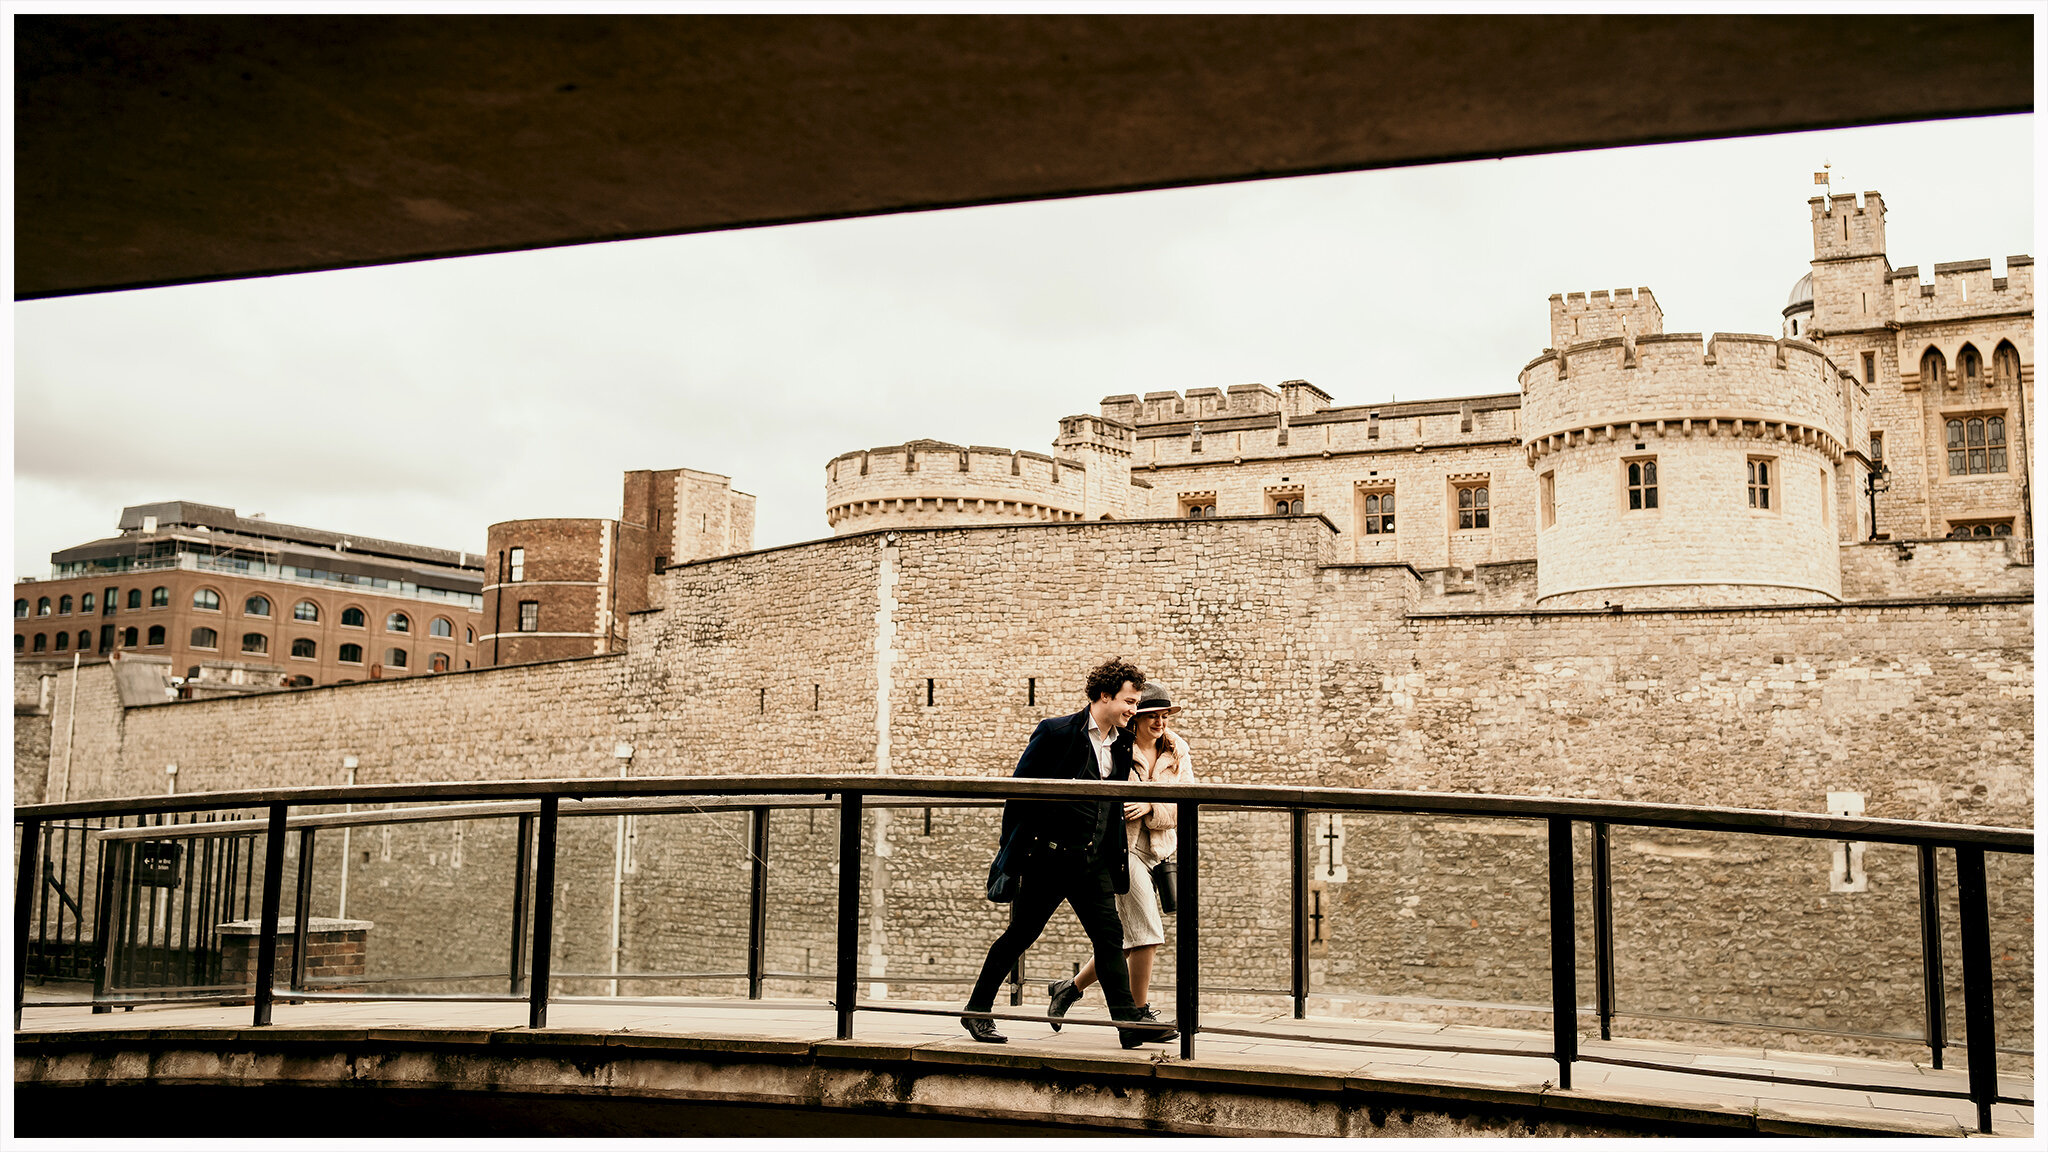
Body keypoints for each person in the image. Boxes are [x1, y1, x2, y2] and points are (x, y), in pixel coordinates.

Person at [960, 658, 1173, 1048]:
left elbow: (1110, 804)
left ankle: (1127, 1024)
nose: (1133, 710)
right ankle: (976, 1012)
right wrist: (1013, 854)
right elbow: (1019, 794)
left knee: (1109, 939)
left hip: (1093, 863)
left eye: (1136, 702)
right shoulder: (1056, 732)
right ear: (1104, 696)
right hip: (1048, 859)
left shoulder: (1123, 741)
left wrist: (1111, 857)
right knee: (1020, 935)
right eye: (1129, 701)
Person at [1045, 681, 1192, 1041]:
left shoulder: (1177, 749)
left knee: (1128, 940)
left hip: (1159, 850)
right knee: (1147, 933)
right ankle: (1135, 1018)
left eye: (1164, 716)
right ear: (1136, 718)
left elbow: (1189, 801)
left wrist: (1151, 806)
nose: (1160, 723)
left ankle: (1070, 988)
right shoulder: (1120, 747)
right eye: (1152, 716)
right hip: (1121, 852)